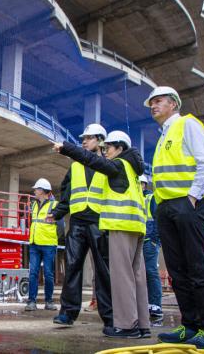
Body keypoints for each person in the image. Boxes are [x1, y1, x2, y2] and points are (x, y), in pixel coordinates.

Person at [53, 131, 150, 339]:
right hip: (99, 223)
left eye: (107, 147)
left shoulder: (113, 165)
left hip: (109, 223)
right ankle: (139, 325)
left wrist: (67, 148)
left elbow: (92, 160)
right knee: (130, 276)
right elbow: (67, 192)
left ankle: (121, 322)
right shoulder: (127, 168)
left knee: (115, 274)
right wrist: (58, 213)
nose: (105, 151)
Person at [145, 86, 204, 349]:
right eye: (151, 102)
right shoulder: (164, 135)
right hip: (167, 208)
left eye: (158, 101)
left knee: (196, 267)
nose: (153, 106)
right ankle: (190, 326)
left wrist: (192, 197)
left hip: (189, 204)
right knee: (177, 270)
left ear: (173, 104)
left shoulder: (187, 125)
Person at [52, 124, 113, 329]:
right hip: (77, 222)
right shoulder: (75, 166)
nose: (84, 141)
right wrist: (57, 214)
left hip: (99, 222)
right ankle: (67, 313)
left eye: (88, 138)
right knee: (72, 267)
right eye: (83, 138)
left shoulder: (108, 164)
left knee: (103, 271)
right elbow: (66, 193)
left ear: (100, 141)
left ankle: (110, 317)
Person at [25, 178, 61, 311]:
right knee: (33, 273)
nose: (34, 191)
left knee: (48, 274)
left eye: (36, 189)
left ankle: (49, 301)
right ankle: (31, 301)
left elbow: (61, 227)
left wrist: (53, 238)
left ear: (42, 191)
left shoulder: (55, 205)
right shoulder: (33, 205)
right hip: (34, 244)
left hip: (48, 244)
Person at [140, 174, 163, 325]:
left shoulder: (150, 197)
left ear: (143, 185)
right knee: (139, 274)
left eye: (139, 184)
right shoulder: (133, 198)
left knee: (150, 272)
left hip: (149, 241)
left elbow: (158, 218)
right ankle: (143, 304)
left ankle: (155, 305)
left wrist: (155, 240)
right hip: (137, 241)